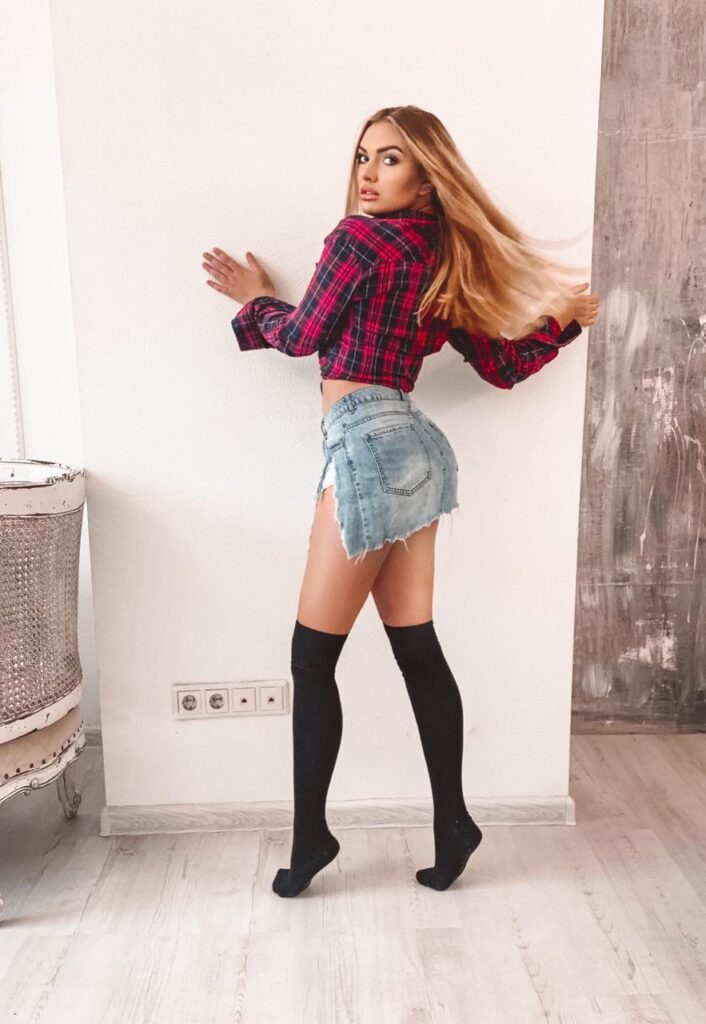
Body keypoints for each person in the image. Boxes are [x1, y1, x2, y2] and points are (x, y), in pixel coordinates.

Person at [202, 105, 600, 898]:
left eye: (389, 158)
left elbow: (302, 336)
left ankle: (311, 839)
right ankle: (453, 823)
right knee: (416, 647)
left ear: (426, 176)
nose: (367, 172)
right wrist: (560, 327)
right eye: (363, 156)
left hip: (366, 445)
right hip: (416, 450)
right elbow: (502, 367)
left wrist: (254, 299)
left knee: (311, 659)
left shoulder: (356, 241)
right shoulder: (443, 259)